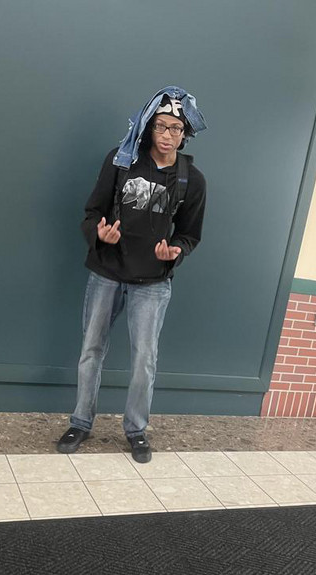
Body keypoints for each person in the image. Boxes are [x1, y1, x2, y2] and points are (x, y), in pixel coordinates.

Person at [57, 86, 207, 462]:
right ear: (148, 127)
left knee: (145, 359)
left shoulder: (191, 179)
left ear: (185, 133)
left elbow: (189, 235)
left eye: (176, 128)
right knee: (91, 349)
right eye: (161, 126)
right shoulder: (121, 161)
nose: (168, 135)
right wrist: (99, 235)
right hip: (107, 272)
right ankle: (80, 422)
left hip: (153, 283)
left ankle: (136, 430)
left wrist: (175, 252)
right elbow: (92, 212)